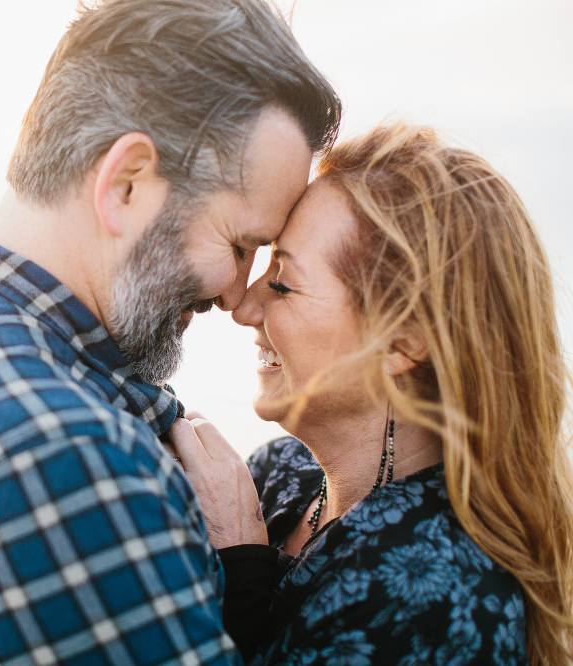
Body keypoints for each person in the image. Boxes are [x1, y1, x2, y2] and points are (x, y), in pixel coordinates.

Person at [0, 0, 341, 663]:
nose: (237, 294)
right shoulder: (63, 457)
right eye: (239, 243)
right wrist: (241, 577)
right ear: (126, 185)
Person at [169, 124, 573, 664]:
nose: (243, 308)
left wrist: (238, 568)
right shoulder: (277, 473)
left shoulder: (435, 596)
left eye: (284, 284)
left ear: (404, 339)